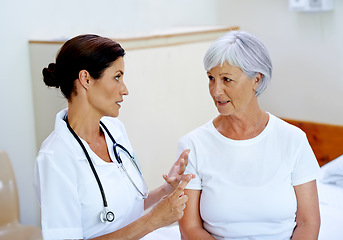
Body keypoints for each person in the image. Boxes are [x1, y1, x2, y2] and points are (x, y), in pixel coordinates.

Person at [33, 34, 194, 240]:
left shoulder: (114, 130)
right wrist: (153, 220)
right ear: (86, 79)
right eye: (117, 77)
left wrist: (165, 190)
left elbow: (122, 211)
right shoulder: (55, 158)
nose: (125, 90)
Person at [177, 31, 321, 240]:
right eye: (211, 78)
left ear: (257, 80)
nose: (216, 91)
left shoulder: (292, 139)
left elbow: (308, 222)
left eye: (227, 79)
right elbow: (190, 229)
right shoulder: (193, 145)